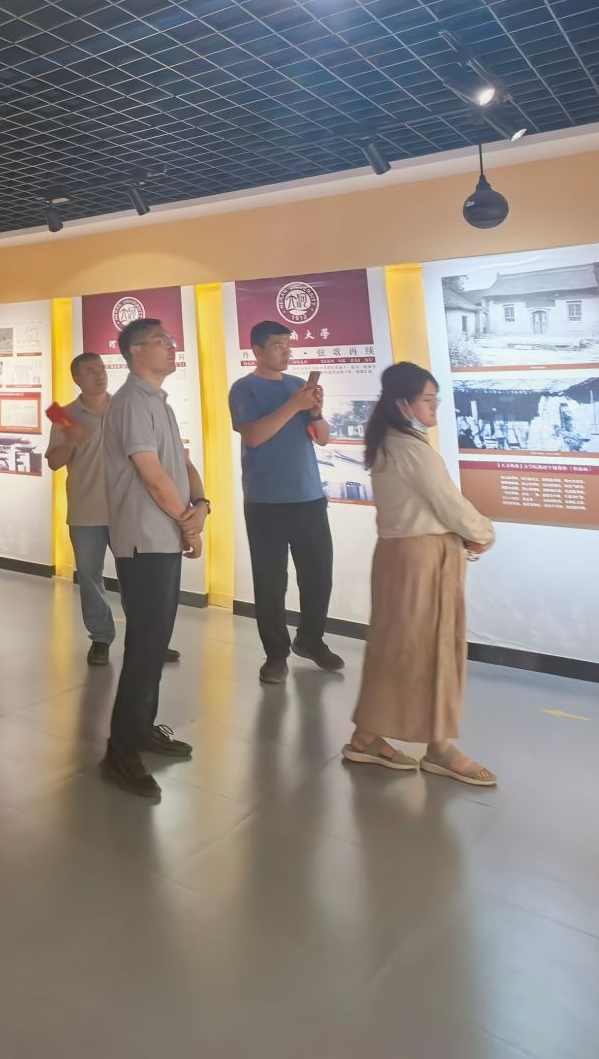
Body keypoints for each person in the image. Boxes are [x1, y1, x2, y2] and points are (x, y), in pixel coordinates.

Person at [343, 362, 497, 784]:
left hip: (404, 557)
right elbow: (449, 503)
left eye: (435, 400)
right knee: (428, 650)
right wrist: (484, 533)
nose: (434, 408)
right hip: (422, 559)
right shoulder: (409, 448)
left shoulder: (392, 442)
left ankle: (368, 736)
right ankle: (438, 747)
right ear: (402, 404)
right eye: (427, 400)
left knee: (401, 648)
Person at [97, 317, 206, 800]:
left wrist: (199, 506)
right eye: (162, 341)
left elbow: (180, 464)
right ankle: (120, 752)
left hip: (164, 536)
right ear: (136, 351)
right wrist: (187, 520)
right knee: (145, 646)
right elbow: (151, 473)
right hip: (144, 540)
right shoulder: (130, 403)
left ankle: (141, 729)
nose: (171, 346)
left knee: (156, 642)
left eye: (170, 340)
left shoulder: (158, 401)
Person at [228, 320, 342, 680]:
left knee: (318, 575)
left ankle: (310, 639)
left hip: (308, 496)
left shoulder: (298, 387)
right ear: (257, 350)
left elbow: (322, 438)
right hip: (265, 502)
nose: (286, 352)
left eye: (288, 345)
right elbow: (254, 435)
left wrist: (315, 412)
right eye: (278, 346)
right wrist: (294, 405)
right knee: (270, 582)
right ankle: (275, 654)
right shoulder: (244, 388)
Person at [46, 352, 117, 662]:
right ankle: (100, 637)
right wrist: (71, 440)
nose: (100, 375)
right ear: (77, 378)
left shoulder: (124, 406)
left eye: (102, 369)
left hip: (126, 510)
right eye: (90, 371)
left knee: (136, 579)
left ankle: (147, 637)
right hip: (85, 511)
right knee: (90, 577)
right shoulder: (64, 415)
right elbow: (53, 462)